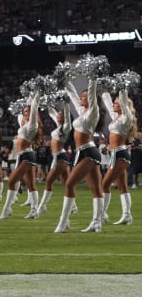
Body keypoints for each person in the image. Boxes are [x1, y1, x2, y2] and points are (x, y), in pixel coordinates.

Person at [55, 76, 106, 233]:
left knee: (70, 184)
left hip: (88, 152)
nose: (82, 98)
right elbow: (72, 95)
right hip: (84, 152)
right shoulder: (83, 112)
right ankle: (97, 223)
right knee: (96, 188)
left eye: (85, 96)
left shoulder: (93, 112)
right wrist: (65, 80)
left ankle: (63, 222)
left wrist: (93, 77)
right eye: (82, 96)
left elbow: (91, 93)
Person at [0, 92, 42, 220]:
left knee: (12, 181)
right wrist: (28, 96)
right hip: (23, 156)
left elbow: (34, 107)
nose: (25, 113)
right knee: (31, 185)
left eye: (27, 111)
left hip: (27, 156)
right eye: (24, 111)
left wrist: (36, 93)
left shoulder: (33, 125)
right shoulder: (24, 125)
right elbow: (20, 114)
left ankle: (7, 209)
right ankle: (34, 211)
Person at [100, 86, 137, 225]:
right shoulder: (117, 117)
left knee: (104, 184)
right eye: (114, 103)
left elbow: (122, 102)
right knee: (122, 187)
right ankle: (127, 216)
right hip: (117, 154)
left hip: (120, 154)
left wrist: (122, 88)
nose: (114, 105)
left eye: (117, 104)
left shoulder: (126, 118)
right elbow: (108, 103)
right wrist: (103, 90)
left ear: (123, 106)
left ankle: (102, 214)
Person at [37, 101, 74, 214]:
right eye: (58, 114)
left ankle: (42, 206)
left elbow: (67, 115)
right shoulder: (59, 127)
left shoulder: (66, 127)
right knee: (67, 183)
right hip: (57, 157)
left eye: (60, 114)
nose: (57, 115)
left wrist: (66, 102)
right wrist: (47, 101)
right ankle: (73, 206)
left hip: (60, 157)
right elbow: (52, 112)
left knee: (49, 181)